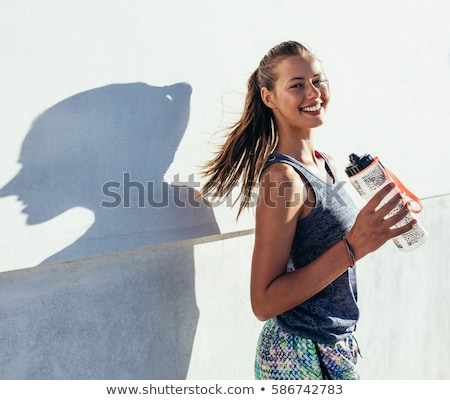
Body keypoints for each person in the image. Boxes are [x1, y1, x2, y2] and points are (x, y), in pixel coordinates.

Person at [200, 41, 416, 380]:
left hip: (335, 345)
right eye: (297, 85)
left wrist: (379, 227)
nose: (313, 92)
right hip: (296, 355)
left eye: (318, 80)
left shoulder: (325, 162)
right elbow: (264, 302)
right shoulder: (282, 179)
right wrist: (355, 246)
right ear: (269, 97)